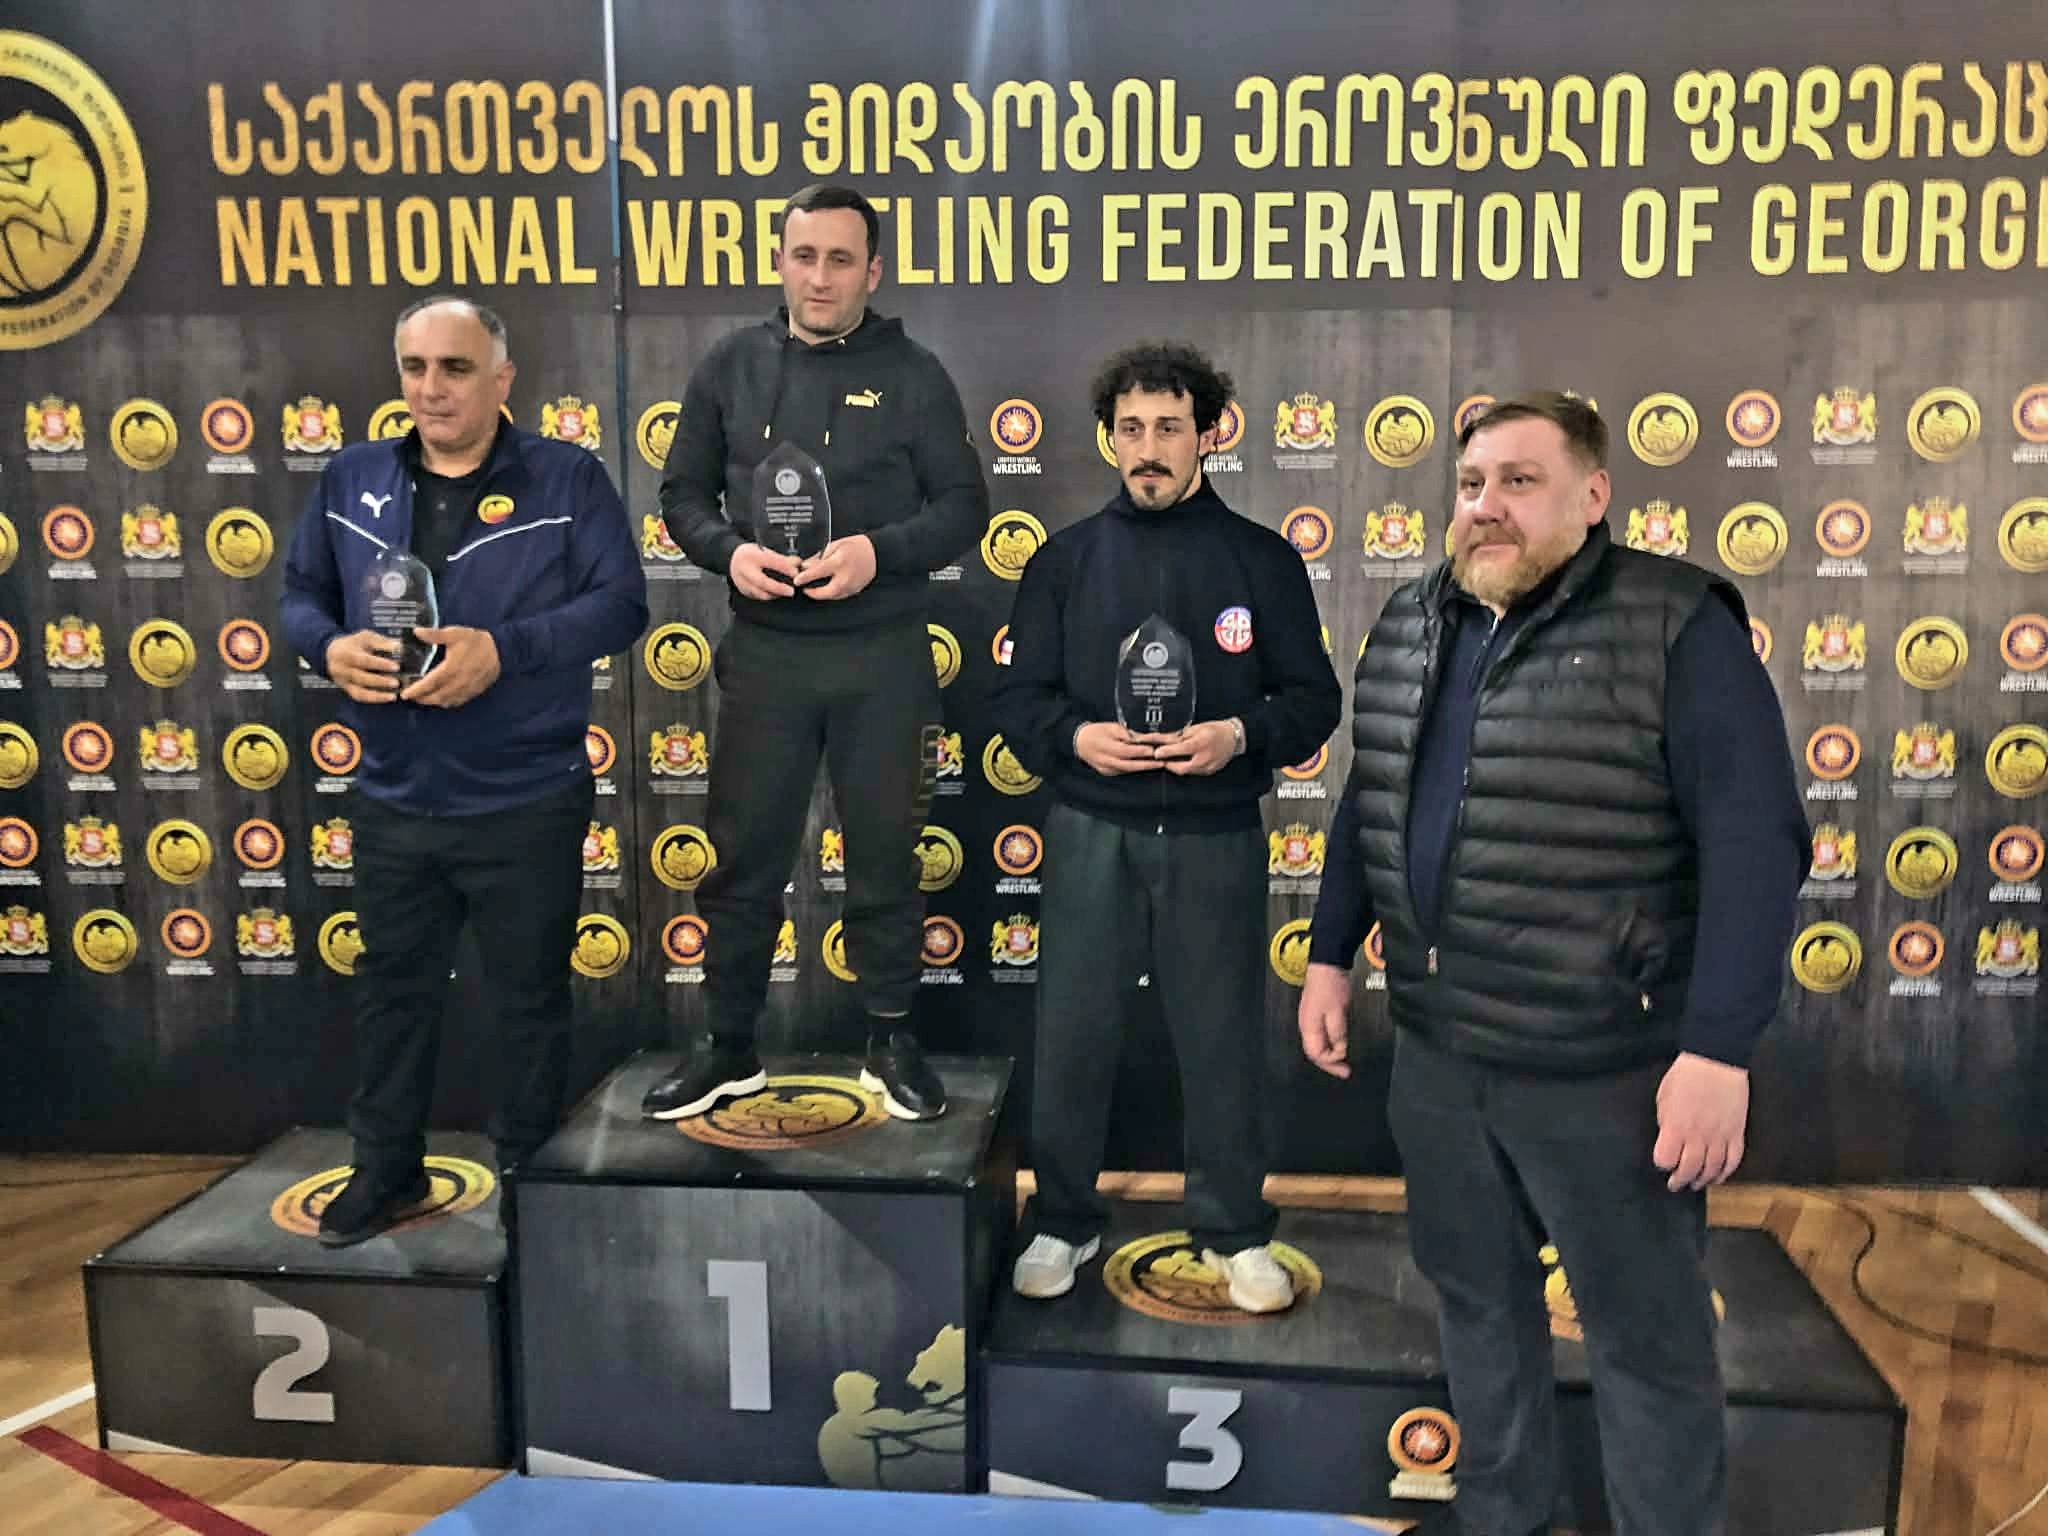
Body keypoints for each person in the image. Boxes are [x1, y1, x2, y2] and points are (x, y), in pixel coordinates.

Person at [1297, 393, 1806, 1534]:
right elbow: (1370, 796)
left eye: (1519, 482)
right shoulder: (1412, 618)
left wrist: (1716, 1050)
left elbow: (1755, 845)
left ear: (1593, 495)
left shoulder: (1676, 625)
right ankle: (1506, 1520)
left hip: (1604, 1068)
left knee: (1646, 1345)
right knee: (1479, 1314)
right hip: (1439, 1055)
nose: (1486, 506)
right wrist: (1329, 952)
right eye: (1472, 483)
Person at [281, 295, 648, 1247]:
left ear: (501, 378)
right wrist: (329, 647)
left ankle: (529, 1177)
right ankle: (385, 1170)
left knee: (529, 1001)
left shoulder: (567, 477)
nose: (431, 388)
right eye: (414, 367)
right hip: (394, 796)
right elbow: (299, 595)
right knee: (392, 995)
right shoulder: (352, 475)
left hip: (525, 795)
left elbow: (621, 605)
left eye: (454, 368)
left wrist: (504, 651)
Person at [992, 341, 1340, 1311]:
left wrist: (1238, 735)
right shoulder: (1064, 561)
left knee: (1222, 1039)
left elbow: (1312, 701)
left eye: (1169, 428)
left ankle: (1233, 1230)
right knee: (1072, 1035)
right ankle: (1063, 1218)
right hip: (1090, 830)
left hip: (1213, 835)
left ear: (1207, 436)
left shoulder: (1260, 559)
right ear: (1109, 439)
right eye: (1132, 429)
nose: (1149, 448)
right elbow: (1017, 701)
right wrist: (1075, 738)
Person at [641, 184, 988, 1124]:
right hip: (768, 655)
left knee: (885, 859)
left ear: (873, 272)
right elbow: (681, 495)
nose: (820, 277)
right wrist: (729, 553)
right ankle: (728, 1046)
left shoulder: (916, 374)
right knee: (743, 860)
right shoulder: (730, 365)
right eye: (805, 256)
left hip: (883, 655)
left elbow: (965, 507)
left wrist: (879, 552)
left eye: (841, 259)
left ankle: (890, 1037)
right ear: (781, 262)